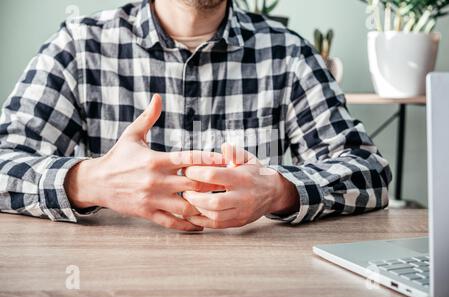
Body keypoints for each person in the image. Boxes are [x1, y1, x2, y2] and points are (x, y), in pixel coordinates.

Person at [0, 0, 392, 231]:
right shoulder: (78, 45)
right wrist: (89, 181)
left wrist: (279, 189)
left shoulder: (288, 52)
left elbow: (368, 171)